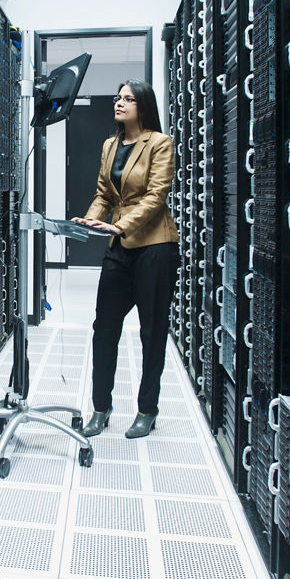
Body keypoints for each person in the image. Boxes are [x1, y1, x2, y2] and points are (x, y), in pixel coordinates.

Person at [72, 80, 179, 439]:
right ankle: (101, 408)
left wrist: (119, 227)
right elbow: (103, 193)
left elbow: (155, 197)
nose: (119, 103)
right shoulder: (110, 145)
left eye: (128, 99)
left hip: (155, 247)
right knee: (104, 329)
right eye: (118, 97)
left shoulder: (160, 143)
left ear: (143, 106)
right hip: (120, 249)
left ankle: (147, 409)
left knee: (152, 332)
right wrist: (90, 220)